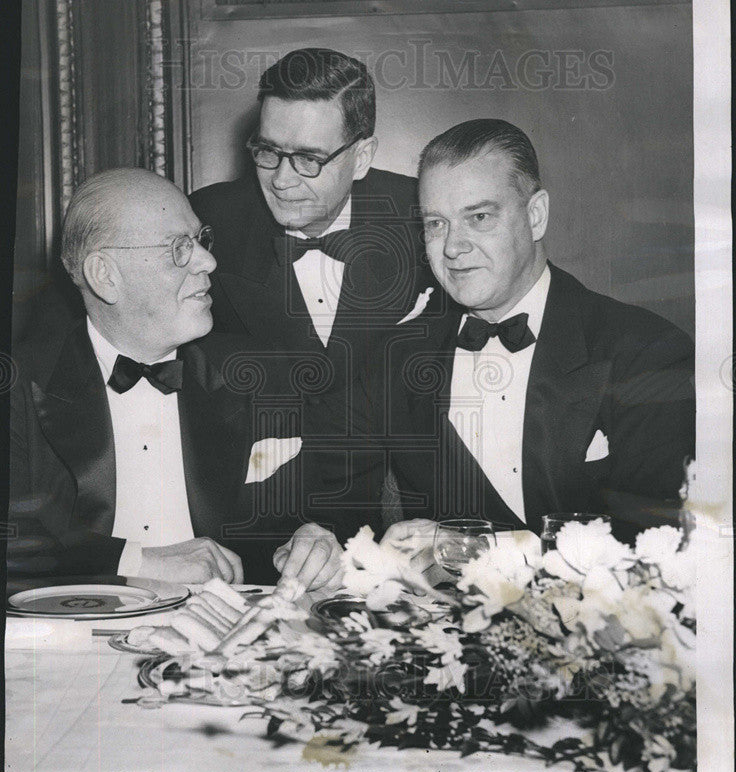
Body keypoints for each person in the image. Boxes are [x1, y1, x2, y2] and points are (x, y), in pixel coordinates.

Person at [7, 168, 343, 590]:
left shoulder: (262, 374)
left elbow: (324, 506)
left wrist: (313, 537)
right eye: (178, 248)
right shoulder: (18, 385)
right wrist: (139, 562)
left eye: (200, 240)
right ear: (105, 276)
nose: (209, 261)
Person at [385, 119, 695, 544]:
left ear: (535, 216)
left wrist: (489, 553)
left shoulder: (647, 351)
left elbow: (655, 548)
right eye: (436, 224)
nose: (453, 248)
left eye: (478, 217)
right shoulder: (399, 355)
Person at [189, 47, 438, 534]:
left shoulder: (423, 216)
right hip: (256, 522)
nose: (281, 180)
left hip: (406, 522)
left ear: (362, 156)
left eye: (308, 159)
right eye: (267, 152)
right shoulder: (208, 220)